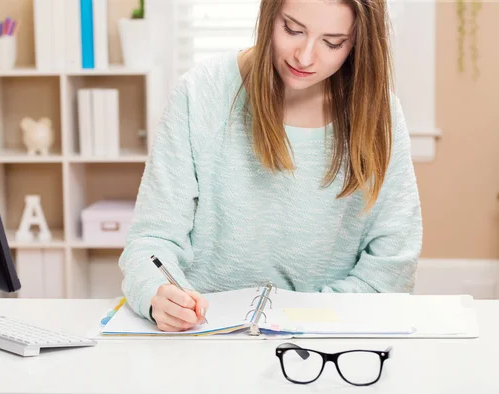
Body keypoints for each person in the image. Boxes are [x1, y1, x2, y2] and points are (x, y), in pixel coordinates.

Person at [118, 0, 422, 332]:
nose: (304, 57)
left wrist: (300, 321)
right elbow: (151, 240)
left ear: (358, 42)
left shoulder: (381, 114)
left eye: (332, 42)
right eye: (292, 29)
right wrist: (157, 293)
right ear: (269, 15)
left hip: (328, 342)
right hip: (206, 336)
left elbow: (392, 266)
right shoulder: (201, 92)